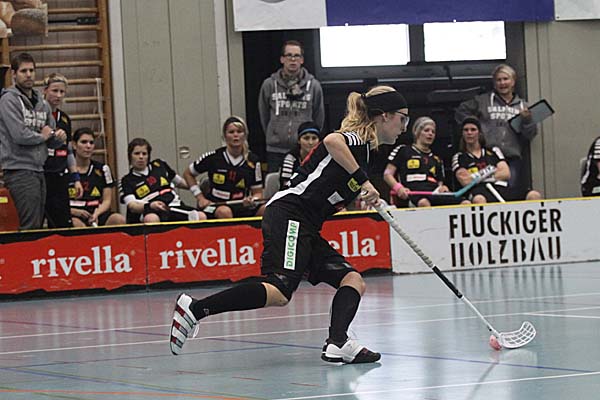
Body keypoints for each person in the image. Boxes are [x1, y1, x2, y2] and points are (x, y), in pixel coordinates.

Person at [170, 85, 409, 364]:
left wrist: (366, 193)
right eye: (402, 118)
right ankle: (195, 309)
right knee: (280, 289)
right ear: (384, 115)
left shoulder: (364, 153)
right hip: (290, 213)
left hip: (306, 224)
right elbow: (332, 141)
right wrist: (363, 181)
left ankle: (338, 342)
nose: (404, 127)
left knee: (352, 280)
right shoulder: (355, 140)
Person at [0, 53, 65, 230]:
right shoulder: (8, 100)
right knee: (28, 225)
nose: (28, 75)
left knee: (37, 224)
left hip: (39, 169)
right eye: (23, 71)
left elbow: (50, 137)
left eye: (31, 70)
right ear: (14, 74)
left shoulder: (43, 104)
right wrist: (43, 136)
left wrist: (58, 138)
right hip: (19, 169)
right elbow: (19, 135)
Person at [455, 63, 537, 200]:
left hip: (511, 158)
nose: (502, 83)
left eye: (506, 79)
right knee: (486, 195)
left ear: (513, 81)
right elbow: (460, 111)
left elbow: (531, 135)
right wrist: (475, 124)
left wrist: (527, 121)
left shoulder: (523, 106)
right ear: (494, 83)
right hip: (488, 157)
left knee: (510, 196)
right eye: (498, 80)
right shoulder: (483, 101)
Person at [258, 40, 325, 173]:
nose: (293, 59)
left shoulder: (314, 86)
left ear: (302, 60)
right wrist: (274, 133)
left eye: (297, 56)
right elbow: (263, 115)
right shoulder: (269, 85)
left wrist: (309, 139)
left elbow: (319, 117)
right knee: (275, 183)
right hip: (275, 150)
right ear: (282, 59)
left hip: (303, 150)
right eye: (289, 55)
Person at [184, 116, 265, 219]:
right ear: (225, 136)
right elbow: (188, 174)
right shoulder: (214, 157)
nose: (235, 135)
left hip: (241, 205)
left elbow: (258, 193)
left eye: (239, 132)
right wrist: (200, 198)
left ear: (245, 135)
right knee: (225, 212)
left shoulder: (253, 160)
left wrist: (253, 200)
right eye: (231, 132)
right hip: (216, 205)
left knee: (266, 209)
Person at [452, 116, 541, 204]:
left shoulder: (494, 151)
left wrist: (476, 177)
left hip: (501, 188)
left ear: (479, 133)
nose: (469, 133)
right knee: (479, 200)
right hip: (478, 191)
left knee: (534, 195)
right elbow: (465, 181)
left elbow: (506, 173)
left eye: (473, 129)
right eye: (466, 130)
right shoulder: (459, 157)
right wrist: (492, 172)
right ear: (462, 133)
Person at [384, 116, 469, 207]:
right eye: (426, 130)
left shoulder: (437, 159)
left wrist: (442, 187)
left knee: (465, 203)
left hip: (434, 193)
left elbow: (440, 182)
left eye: (433, 132)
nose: (430, 134)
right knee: (424, 203)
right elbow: (387, 174)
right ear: (417, 132)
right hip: (413, 193)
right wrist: (398, 188)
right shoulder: (403, 150)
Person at [120, 138, 206, 223]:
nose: (141, 157)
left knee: (201, 216)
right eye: (137, 153)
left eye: (144, 154)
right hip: (150, 210)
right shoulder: (126, 180)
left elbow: (181, 182)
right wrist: (150, 206)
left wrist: (201, 185)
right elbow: (132, 206)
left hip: (174, 205)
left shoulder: (160, 165)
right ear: (130, 156)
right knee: (151, 219)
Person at [43, 72, 83, 228]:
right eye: (55, 90)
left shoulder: (65, 119)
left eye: (62, 92)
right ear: (45, 90)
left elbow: (69, 151)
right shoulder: (37, 115)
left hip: (60, 176)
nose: (58, 95)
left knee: (62, 223)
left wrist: (76, 178)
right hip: (41, 175)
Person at [69, 127, 125, 227]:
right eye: (84, 142)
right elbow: (57, 203)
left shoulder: (103, 169)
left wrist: (96, 214)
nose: (88, 146)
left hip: (96, 211)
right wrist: (75, 211)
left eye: (91, 143)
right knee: (77, 224)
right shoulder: (64, 171)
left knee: (118, 219)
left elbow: (107, 200)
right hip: (74, 213)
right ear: (74, 145)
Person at [279, 120, 321, 189]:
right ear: (299, 140)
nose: (310, 142)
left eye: (314, 138)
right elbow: (285, 185)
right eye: (306, 138)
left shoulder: (322, 158)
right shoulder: (290, 158)